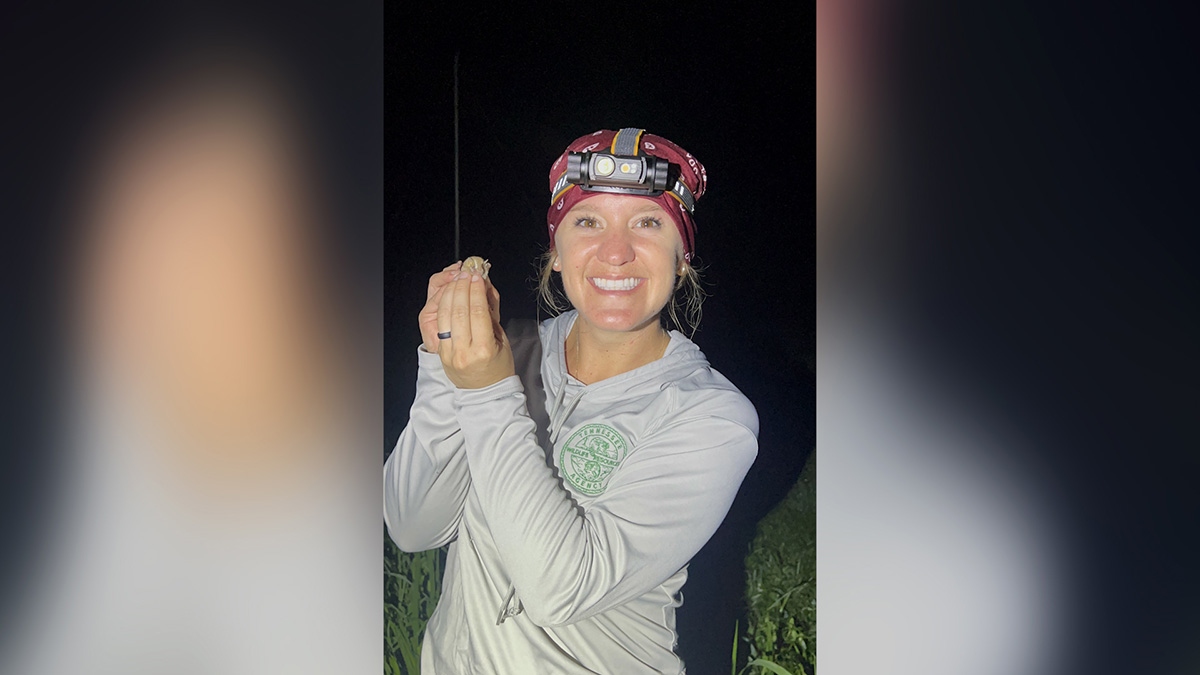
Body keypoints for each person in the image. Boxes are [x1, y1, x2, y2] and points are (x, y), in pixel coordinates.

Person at [384, 128, 758, 674]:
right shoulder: (507, 348)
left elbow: (558, 589)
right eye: (588, 222)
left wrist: (489, 390)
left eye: (648, 223)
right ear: (556, 253)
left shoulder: (712, 417)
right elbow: (412, 524)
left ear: (682, 260)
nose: (615, 251)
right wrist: (446, 365)